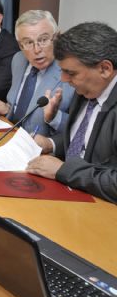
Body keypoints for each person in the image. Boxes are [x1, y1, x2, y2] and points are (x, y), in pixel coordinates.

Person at [27, 22, 117, 204]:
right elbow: (86, 139)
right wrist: (51, 144)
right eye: (62, 71)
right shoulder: (86, 91)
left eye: (71, 73)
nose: (63, 79)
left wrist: (64, 170)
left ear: (105, 69)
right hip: (68, 195)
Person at [0, 10, 74, 136]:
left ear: (56, 38)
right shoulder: (18, 60)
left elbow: (82, 129)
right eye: (28, 42)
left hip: (41, 150)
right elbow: (24, 106)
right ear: (20, 45)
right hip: (8, 138)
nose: (37, 49)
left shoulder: (70, 72)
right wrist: (9, 109)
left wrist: (55, 118)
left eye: (43, 40)